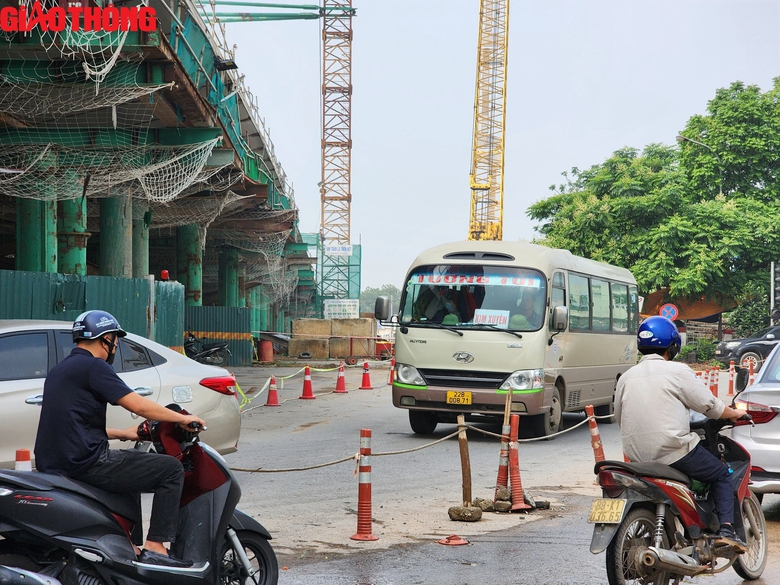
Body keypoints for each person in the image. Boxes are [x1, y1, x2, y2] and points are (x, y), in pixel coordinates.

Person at [34, 310, 206, 568]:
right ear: (106, 339)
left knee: (132, 470)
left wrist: (125, 434)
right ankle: (156, 545)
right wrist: (181, 418)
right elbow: (139, 406)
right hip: (85, 463)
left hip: (56, 462)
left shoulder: (61, 370)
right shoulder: (94, 366)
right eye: (115, 339)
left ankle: (128, 547)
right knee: (169, 470)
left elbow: (74, 426)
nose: (115, 345)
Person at [614, 316, 748, 552]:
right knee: (720, 474)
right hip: (674, 453)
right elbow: (710, 406)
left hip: (638, 458)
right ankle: (727, 531)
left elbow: (618, 417)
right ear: (673, 346)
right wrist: (734, 413)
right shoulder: (677, 371)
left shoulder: (627, 376)